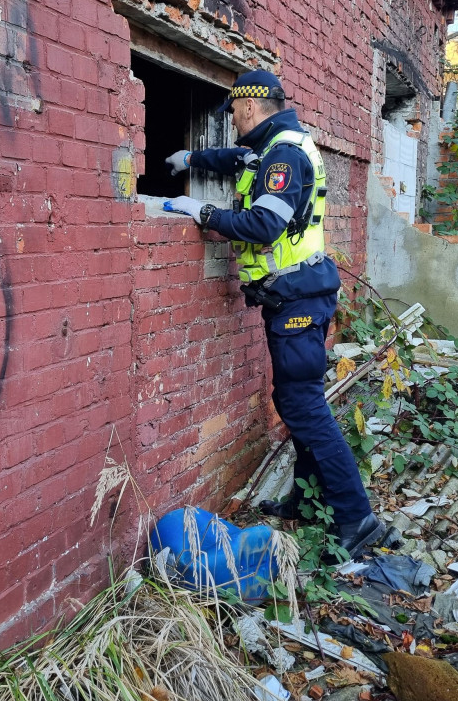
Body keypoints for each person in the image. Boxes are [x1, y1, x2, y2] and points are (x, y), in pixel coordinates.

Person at [163, 69, 386, 559]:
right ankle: (306, 501)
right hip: (296, 296)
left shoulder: (282, 156)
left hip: (298, 301)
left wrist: (202, 212)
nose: (233, 122)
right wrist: (191, 158)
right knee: (293, 399)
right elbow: (234, 159)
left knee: (303, 405)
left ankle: (357, 519)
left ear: (249, 106)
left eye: (234, 113)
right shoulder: (273, 148)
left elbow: (264, 224)